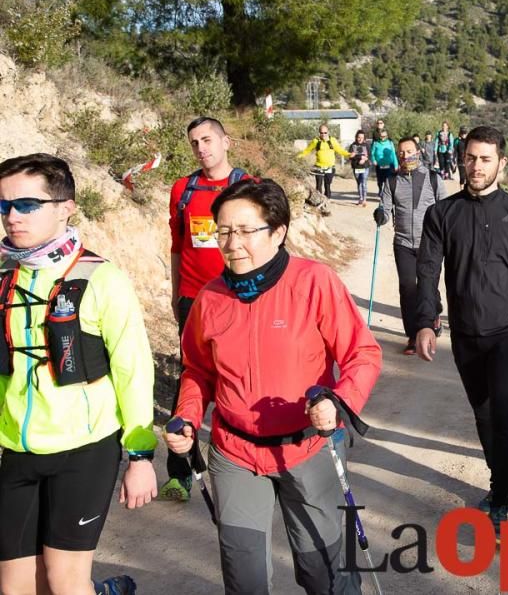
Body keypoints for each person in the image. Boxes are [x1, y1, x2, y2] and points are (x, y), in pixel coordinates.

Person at [165, 179, 381, 595]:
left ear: (278, 232)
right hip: (235, 452)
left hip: (309, 447)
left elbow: (362, 353)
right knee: (244, 580)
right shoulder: (209, 299)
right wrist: (188, 415)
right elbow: (197, 370)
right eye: (223, 231)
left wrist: (340, 400)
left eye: (246, 231)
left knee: (324, 573)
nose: (232, 243)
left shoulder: (314, 282)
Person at [0, 153, 157, 595]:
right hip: (17, 450)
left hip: (84, 452)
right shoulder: (5, 279)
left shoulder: (102, 278)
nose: (13, 216)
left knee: (66, 583)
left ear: (65, 207)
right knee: (15, 588)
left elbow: (133, 368)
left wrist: (140, 456)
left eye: (27, 205)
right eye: (4, 206)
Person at [415, 126, 508, 534]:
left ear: (502, 163)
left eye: (486, 159)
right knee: (482, 415)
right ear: (461, 158)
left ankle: (499, 496)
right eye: (471, 158)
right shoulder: (442, 214)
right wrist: (425, 321)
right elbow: (427, 271)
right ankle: (502, 479)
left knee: (505, 414)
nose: (477, 166)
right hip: (466, 333)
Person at [163, 116, 251, 502]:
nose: (202, 148)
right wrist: (174, 291)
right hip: (193, 298)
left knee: (241, 376)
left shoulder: (248, 188)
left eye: (208, 139)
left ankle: (247, 458)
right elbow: (178, 246)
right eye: (195, 142)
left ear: (226, 141)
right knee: (190, 380)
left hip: (237, 296)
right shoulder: (183, 188)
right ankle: (180, 472)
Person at [373, 138, 447, 354]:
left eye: (409, 151)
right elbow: (385, 210)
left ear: (418, 151)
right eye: (402, 152)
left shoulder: (433, 178)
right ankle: (413, 335)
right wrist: (381, 215)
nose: (406, 156)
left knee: (427, 286)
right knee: (407, 288)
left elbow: (444, 209)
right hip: (403, 242)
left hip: (430, 242)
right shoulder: (392, 182)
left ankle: (433, 314)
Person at [298, 124, 348, 199]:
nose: (323, 134)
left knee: (327, 185)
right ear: (319, 133)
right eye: (321, 133)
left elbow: (340, 150)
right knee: (318, 186)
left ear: (328, 132)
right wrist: (297, 157)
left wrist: (350, 154)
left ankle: (327, 201)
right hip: (319, 167)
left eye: (325, 133)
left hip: (330, 167)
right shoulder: (316, 141)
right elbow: (307, 151)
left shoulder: (332, 140)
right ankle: (318, 201)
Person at [370, 127, 398, 195]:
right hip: (379, 165)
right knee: (380, 180)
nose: (382, 138)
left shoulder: (390, 143)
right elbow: (372, 153)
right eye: (381, 136)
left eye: (384, 136)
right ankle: (380, 189)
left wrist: (396, 164)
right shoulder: (376, 143)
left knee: (387, 180)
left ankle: (386, 193)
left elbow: (393, 154)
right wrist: (374, 160)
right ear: (379, 135)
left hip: (389, 164)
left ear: (387, 136)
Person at [348, 130, 371, 206]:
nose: (360, 139)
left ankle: (364, 199)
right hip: (356, 167)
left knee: (363, 182)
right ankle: (360, 198)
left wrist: (365, 159)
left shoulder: (366, 145)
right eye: (359, 137)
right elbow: (350, 156)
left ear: (364, 138)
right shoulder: (352, 145)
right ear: (356, 137)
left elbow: (370, 155)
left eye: (362, 137)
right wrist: (359, 157)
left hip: (365, 167)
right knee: (359, 183)